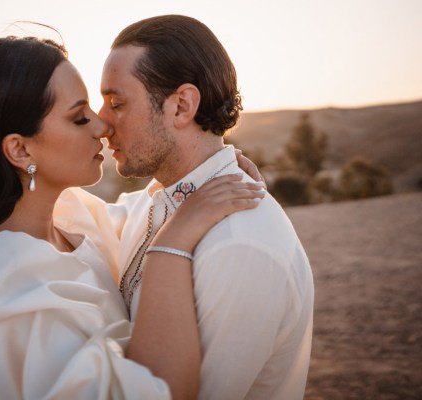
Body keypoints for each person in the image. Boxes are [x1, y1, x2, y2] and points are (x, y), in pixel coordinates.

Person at [0, 35, 266, 399]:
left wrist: (216, 171)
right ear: (20, 149)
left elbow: (145, 212)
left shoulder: (72, 219)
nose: (102, 127)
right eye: (80, 117)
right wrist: (171, 248)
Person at [98, 15, 315, 400]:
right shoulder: (149, 205)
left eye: (116, 103)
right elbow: (66, 218)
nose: (101, 124)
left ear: (182, 106)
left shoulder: (241, 247)